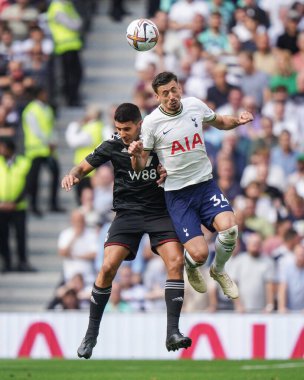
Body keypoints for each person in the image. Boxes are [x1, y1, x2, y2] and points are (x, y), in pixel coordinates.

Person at [61, 103, 192, 359]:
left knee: (176, 262)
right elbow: (83, 166)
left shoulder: (160, 138)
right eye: (119, 128)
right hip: (127, 214)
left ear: (140, 123)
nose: (123, 133)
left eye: (127, 129)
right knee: (108, 267)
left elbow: (182, 164)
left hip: (159, 212)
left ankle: (173, 332)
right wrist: (73, 175)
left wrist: (169, 172)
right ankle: (91, 334)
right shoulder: (112, 144)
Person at [128, 71, 254, 300]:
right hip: (178, 195)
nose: (171, 96)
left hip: (205, 185)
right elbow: (140, 166)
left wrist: (238, 120)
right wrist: (136, 156)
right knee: (199, 254)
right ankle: (193, 266)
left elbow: (221, 122)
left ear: (180, 88)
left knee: (230, 229)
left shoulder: (194, 105)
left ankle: (218, 271)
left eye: (174, 90)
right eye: (165, 93)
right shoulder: (152, 123)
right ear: (157, 97)